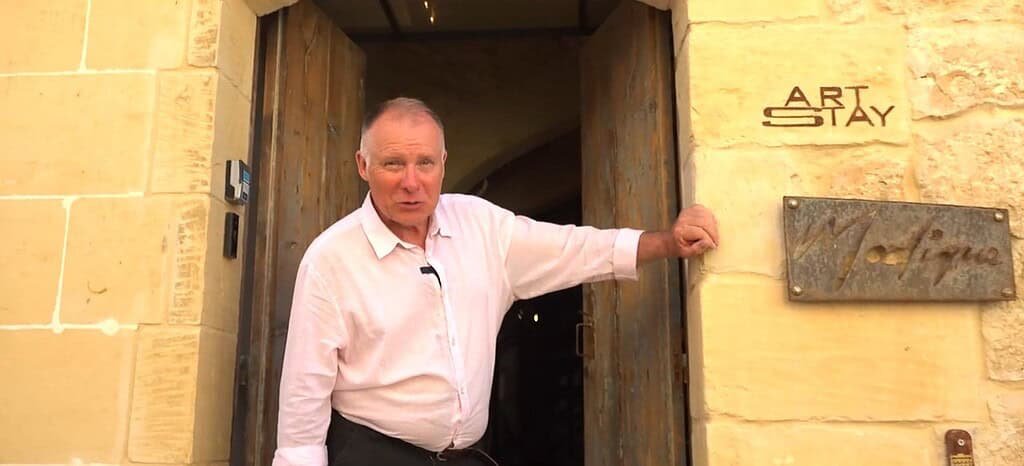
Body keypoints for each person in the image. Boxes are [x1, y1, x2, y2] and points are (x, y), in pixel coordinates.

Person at [272, 98, 719, 466]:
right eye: (393, 163)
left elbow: (573, 249)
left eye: (424, 162)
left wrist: (667, 243)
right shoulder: (331, 259)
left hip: (463, 457)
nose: (412, 182)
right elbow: (303, 397)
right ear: (362, 165)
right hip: (371, 455)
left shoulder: (480, 225)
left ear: (443, 164)